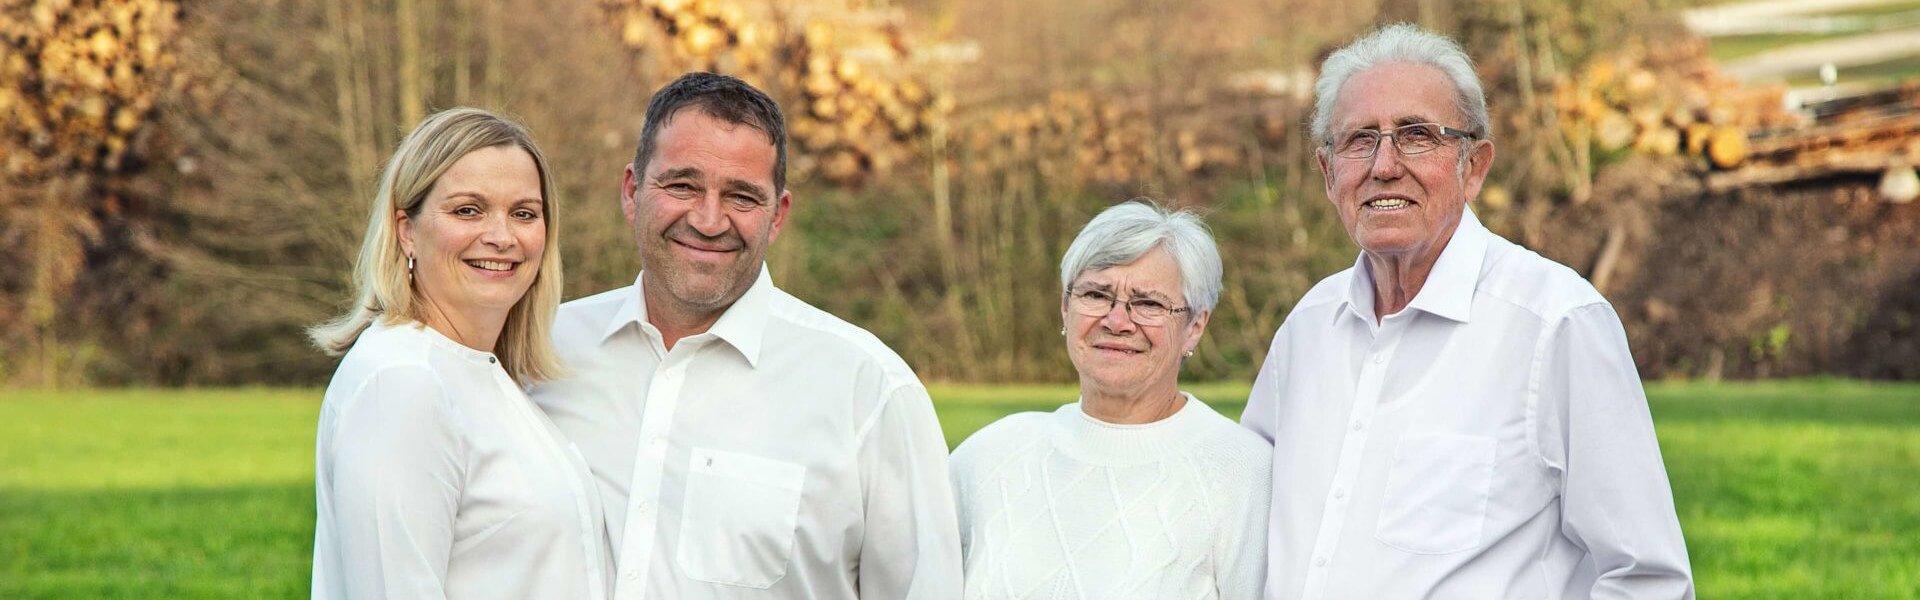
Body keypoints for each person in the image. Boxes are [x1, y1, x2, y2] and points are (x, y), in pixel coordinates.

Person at [1240, 24, 1694, 600]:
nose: (1384, 165)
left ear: (1474, 166)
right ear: (1329, 174)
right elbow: (1243, 524)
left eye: (1417, 136)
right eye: (1359, 139)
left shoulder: (1555, 323)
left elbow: (1647, 579)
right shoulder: (1306, 330)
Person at [529, 72, 961, 599]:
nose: (710, 221)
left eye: (742, 197)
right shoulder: (538, 351)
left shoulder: (868, 389)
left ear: (777, 216)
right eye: (682, 185)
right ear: (631, 191)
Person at [308, 108, 610, 599]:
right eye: (468, 210)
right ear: (407, 229)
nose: (502, 236)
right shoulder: (403, 382)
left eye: (524, 213)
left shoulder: (486, 375)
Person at [950, 200, 1271, 599]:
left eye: (1149, 303)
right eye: (1096, 295)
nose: (1117, 322)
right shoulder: (986, 458)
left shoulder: (1243, 473)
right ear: (1066, 309)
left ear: (1194, 327)